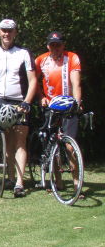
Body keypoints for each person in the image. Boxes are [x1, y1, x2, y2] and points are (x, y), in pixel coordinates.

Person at [0, 19, 37, 197]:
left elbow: (33, 80)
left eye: (10, 31)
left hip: (20, 101)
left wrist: (27, 101)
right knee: (7, 142)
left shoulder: (23, 53)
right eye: (4, 30)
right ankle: (11, 178)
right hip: (1, 101)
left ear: (15, 33)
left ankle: (19, 183)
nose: (7, 34)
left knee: (20, 142)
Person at [34, 31, 83, 194]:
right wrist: (41, 97)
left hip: (68, 104)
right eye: (52, 44)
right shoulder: (40, 60)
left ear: (63, 45)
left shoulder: (72, 57)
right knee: (52, 143)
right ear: (48, 45)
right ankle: (58, 182)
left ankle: (77, 183)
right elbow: (33, 81)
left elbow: (76, 83)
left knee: (70, 145)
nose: (55, 48)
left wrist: (77, 102)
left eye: (58, 44)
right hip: (51, 106)